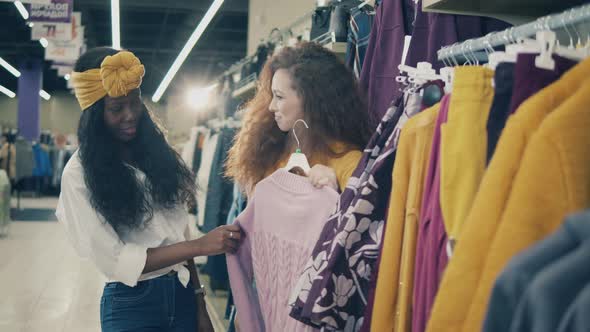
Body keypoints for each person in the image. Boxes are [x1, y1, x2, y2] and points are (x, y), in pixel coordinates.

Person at [56, 47, 241, 332]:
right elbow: (119, 261)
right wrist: (201, 246)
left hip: (182, 296)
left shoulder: (157, 153)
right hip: (131, 305)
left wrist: (200, 303)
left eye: (135, 102)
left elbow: (180, 233)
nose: (130, 115)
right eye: (117, 108)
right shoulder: (78, 175)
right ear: (94, 114)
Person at [226, 42, 372, 194]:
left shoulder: (348, 162)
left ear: (311, 100)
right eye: (272, 95)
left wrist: (336, 196)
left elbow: (361, 214)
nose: (271, 106)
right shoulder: (269, 153)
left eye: (279, 97)